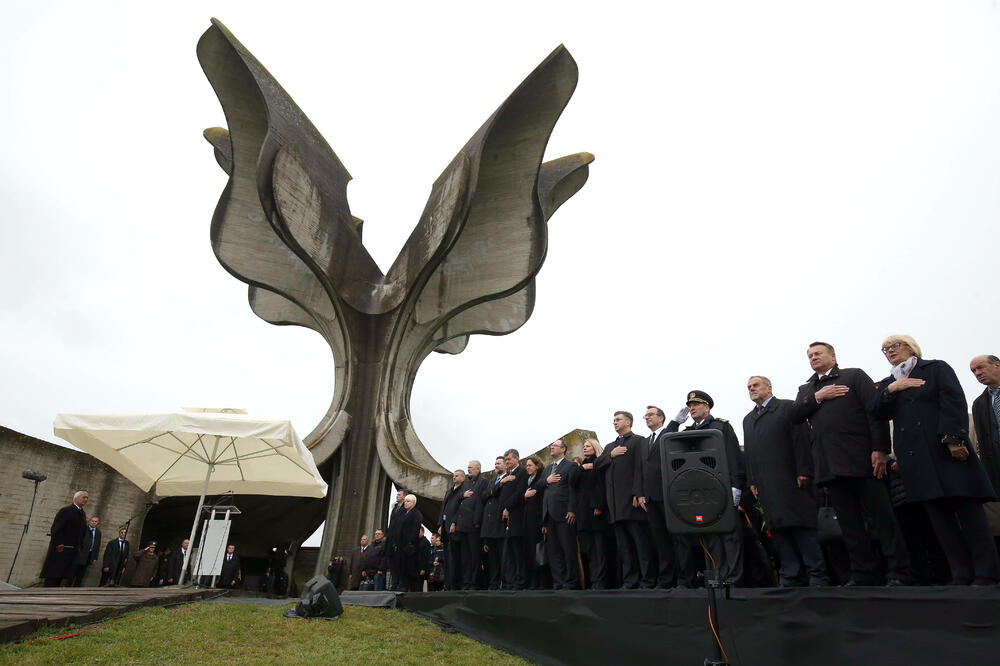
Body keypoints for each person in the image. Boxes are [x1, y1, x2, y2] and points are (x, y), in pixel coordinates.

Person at [872, 336, 1000, 585]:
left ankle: (987, 573)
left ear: (909, 347)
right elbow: (876, 411)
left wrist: (953, 438)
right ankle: (960, 574)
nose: (889, 351)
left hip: (947, 452)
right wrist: (891, 390)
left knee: (970, 516)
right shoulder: (889, 383)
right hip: (917, 461)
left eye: (894, 346)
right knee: (941, 522)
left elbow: (953, 401)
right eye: (885, 349)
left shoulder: (935, 368)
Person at [790, 341, 911, 586]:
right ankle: (863, 574)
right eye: (810, 355)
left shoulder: (853, 376)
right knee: (849, 526)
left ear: (833, 356)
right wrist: (818, 397)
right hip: (829, 467)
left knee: (883, 520)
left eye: (818, 353)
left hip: (862, 462)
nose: (813, 358)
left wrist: (880, 449)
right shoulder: (807, 389)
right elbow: (794, 415)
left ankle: (899, 572)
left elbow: (875, 413)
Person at [744, 376, 829, 587]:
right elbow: (750, 454)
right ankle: (791, 575)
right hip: (767, 486)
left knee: (802, 529)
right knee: (779, 530)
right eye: (749, 387)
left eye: (756, 385)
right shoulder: (748, 419)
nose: (752, 389)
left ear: (769, 388)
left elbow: (802, 441)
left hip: (792, 481)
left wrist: (804, 471)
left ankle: (816, 575)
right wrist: (752, 480)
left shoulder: (787, 408)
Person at [670, 391, 747, 586]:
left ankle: (734, 579)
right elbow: (668, 447)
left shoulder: (721, 426)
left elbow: (734, 457)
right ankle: (716, 578)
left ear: (707, 407)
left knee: (729, 536)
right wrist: (675, 423)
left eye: (696, 404)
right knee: (710, 536)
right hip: (701, 493)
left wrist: (736, 486)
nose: (692, 408)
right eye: (690, 405)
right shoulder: (687, 432)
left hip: (722, 488)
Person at [595, 411, 653, 589]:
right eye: (614, 420)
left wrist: (638, 492)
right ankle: (630, 581)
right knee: (624, 548)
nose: (615, 422)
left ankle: (647, 580)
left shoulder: (638, 441)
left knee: (641, 545)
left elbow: (640, 468)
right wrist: (610, 455)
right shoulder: (610, 446)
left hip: (632, 503)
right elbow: (597, 466)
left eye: (618, 419)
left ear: (628, 422)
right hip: (615, 506)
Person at [635, 406, 678, 588]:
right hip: (650, 498)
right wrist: (640, 493)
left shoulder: (668, 435)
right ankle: (666, 580)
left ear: (661, 418)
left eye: (651, 415)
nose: (647, 418)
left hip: (668, 495)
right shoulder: (644, 442)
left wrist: (675, 423)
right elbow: (639, 469)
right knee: (660, 541)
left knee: (677, 538)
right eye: (645, 416)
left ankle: (684, 578)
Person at [540, 439, 580, 589]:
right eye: (551, 446)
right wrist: (547, 480)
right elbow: (540, 486)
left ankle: (571, 582)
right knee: (554, 552)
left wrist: (572, 509)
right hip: (549, 516)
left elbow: (573, 488)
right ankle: (559, 582)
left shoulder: (570, 466)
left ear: (563, 449)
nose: (552, 448)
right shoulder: (547, 469)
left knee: (568, 550)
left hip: (564, 514)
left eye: (555, 446)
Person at [577, 439, 609, 589]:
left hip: (595, 511)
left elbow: (601, 485)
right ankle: (593, 580)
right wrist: (581, 468)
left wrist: (598, 505)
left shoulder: (598, 463)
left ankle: (600, 581)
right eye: (583, 446)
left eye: (588, 446)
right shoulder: (582, 465)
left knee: (599, 548)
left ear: (595, 447)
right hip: (584, 512)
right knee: (589, 549)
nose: (585, 448)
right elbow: (574, 482)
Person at [40, 490, 89, 587]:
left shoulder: (82, 514)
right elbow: (56, 529)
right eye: (84, 497)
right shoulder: (66, 511)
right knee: (53, 576)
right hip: (61, 549)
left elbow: (82, 532)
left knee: (62, 576)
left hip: (72, 550)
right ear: (76, 498)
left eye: (87, 498)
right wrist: (59, 543)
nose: (86, 499)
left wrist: (80, 546)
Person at [969, 355, 1000, 499]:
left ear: (997, 365)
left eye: (980, 367)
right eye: (973, 371)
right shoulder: (978, 404)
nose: (977, 373)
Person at [498, 448, 529, 589]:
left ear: (517, 458)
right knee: (509, 553)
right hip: (506, 520)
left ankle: (520, 581)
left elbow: (519, 493)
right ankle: (510, 582)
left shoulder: (522, 472)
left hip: (516, 517)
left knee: (518, 552)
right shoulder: (508, 475)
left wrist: (507, 508)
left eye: (509, 459)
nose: (507, 462)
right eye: (506, 460)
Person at [456, 460, 488, 589]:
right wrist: (462, 495)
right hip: (463, 525)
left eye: (471, 467)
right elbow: (458, 498)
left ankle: (474, 582)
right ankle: (467, 582)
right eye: (468, 467)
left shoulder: (483, 482)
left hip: (473, 525)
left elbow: (481, 502)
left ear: (478, 469)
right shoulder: (467, 483)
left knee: (475, 556)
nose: (468, 469)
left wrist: (477, 521)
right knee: (465, 557)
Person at [480, 457, 507, 590]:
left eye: (499, 463)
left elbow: (494, 494)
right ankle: (494, 583)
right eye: (495, 463)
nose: (496, 465)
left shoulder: (509, 478)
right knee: (493, 559)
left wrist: (494, 490)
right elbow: (483, 496)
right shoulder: (492, 481)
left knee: (503, 557)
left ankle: (504, 582)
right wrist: (498, 486)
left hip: (500, 524)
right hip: (489, 527)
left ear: (505, 465)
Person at [522, 455, 547, 589]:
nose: (527, 468)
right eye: (526, 465)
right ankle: (532, 580)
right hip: (528, 521)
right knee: (530, 551)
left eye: (530, 465)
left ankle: (540, 581)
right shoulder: (528, 480)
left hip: (537, 520)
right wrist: (524, 496)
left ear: (537, 466)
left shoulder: (541, 478)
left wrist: (543, 522)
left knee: (539, 551)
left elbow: (543, 501)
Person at [438, 469, 466, 590]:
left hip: (455, 528)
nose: (454, 477)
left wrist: (454, 522)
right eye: (453, 476)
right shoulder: (449, 491)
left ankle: (456, 584)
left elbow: (460, 509)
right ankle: (448, 584)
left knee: (455, 557)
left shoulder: (464, 490)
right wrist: (440, 524)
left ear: (463, 478)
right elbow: (443, 508)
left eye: (457, 476)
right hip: (445, 528)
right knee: (447, 558)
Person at [396, 494, 424, 591]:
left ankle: (409, 589)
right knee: (401, 568)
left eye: (408, 501)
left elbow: (415, 530)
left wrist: (409, 543)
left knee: (410, 569)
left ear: (414, 503)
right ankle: (402, 587)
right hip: (401, 546)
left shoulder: (416, 514)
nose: (405, 503)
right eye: (405, 501)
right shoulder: (403, 514)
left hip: (410, 547)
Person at [385, 489, 407, 591]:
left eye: (399, 495)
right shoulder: (394, 508)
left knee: (399, 563)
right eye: (397, 494)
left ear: (404, 497)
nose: (397, 496)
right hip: (391, 539)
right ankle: (394, 583)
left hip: (399, 540)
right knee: (392, 563)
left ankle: (399, 584)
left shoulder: (405, 508)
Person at [72, 516, 102, 586]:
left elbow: (97, 545)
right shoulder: (84, 529)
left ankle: (77, 586)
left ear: (98, 523)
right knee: (74, 571)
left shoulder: (98, 532)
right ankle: (68, 586)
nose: (94, 522)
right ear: (89, 522)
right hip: (80, 554)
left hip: (89, 555)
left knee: (82, 573)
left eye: (96, 521)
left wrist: (95, 557)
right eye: (92, 521)